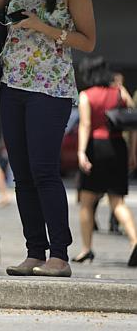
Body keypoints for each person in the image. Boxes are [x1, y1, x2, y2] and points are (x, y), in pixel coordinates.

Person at [0, 0, 96, 277]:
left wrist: (42, 27)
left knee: (43, 170)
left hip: (51, 88)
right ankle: (34, 252)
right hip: (11, 85)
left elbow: (88, 41)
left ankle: (59, 255)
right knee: (22, 174)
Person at [73, 56, 137, 266]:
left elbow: (85, 125)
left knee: (87, 201)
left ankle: (86, 249)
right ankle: (135, 240)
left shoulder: (86, 95)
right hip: (118, 146)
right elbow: (132, 123)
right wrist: (133, 153)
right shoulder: (120, 92)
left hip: (96, 147)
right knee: (117, 201)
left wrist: (81, 152)